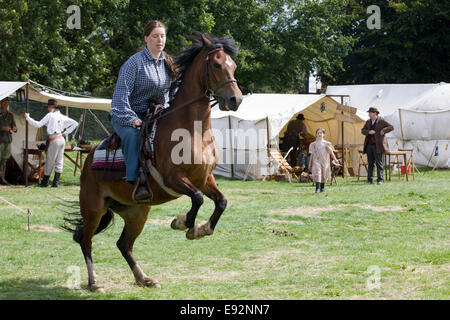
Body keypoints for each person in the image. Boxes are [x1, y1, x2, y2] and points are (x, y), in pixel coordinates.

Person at [110, 20, 178, 201]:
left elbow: (174, 91)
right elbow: (120, 97)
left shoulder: (169, 63)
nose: (159, 40)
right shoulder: (134, 63)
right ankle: (134, 180)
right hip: (127, 115)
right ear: (146, 38)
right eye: (155, 36)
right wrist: (132, 120)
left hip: (157, 115)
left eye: (162, 36)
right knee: (134, 135)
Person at [25, 99, 78, 187]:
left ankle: (45, 182)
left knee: (50, 160)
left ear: (52, 107)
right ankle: (55, 183)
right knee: (59, 161)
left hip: (54, 139)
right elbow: (75, 123)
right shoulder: (62, 116)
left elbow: (38, 124)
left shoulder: (50, 115)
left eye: (49, 107)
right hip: (61, 139)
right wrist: (65, 133)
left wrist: (28, 118)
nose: (48, 109)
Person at [361, 107, 394, 185]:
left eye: (370, 113)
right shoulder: (368, 122)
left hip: (378, 145)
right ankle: (370, 180)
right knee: (370, 163)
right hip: (369, 145)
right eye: (369, 113)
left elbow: (391, 127)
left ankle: (380, 180)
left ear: (375, 113)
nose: (369, 114)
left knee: (379, 163)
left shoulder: (381, 120)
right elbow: (362, 130)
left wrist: (383, 131)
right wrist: (369, 132)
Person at [308, 128, 339, 193]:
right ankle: (317, 189)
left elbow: (331, 152)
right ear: (316, 134)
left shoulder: (327, 143)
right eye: (318, 133)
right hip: (316, 160)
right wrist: (310, 163)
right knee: (318, 172)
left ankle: (322, 188)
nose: (319, 134)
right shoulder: (313, 144)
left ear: (323, 134)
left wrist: (335, 159)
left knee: (324, 174)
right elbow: (312, 154)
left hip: (325, 161)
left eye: (321, 133)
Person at [0, 97, 17, 185]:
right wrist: (3, 128)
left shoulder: (10, 115)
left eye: (7, 103)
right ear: (1, 103)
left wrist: (14, 128)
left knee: (4, 160)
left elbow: (14, 126)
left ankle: (2, 178)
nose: (6, 104)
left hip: (7, 139)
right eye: (4, 102)